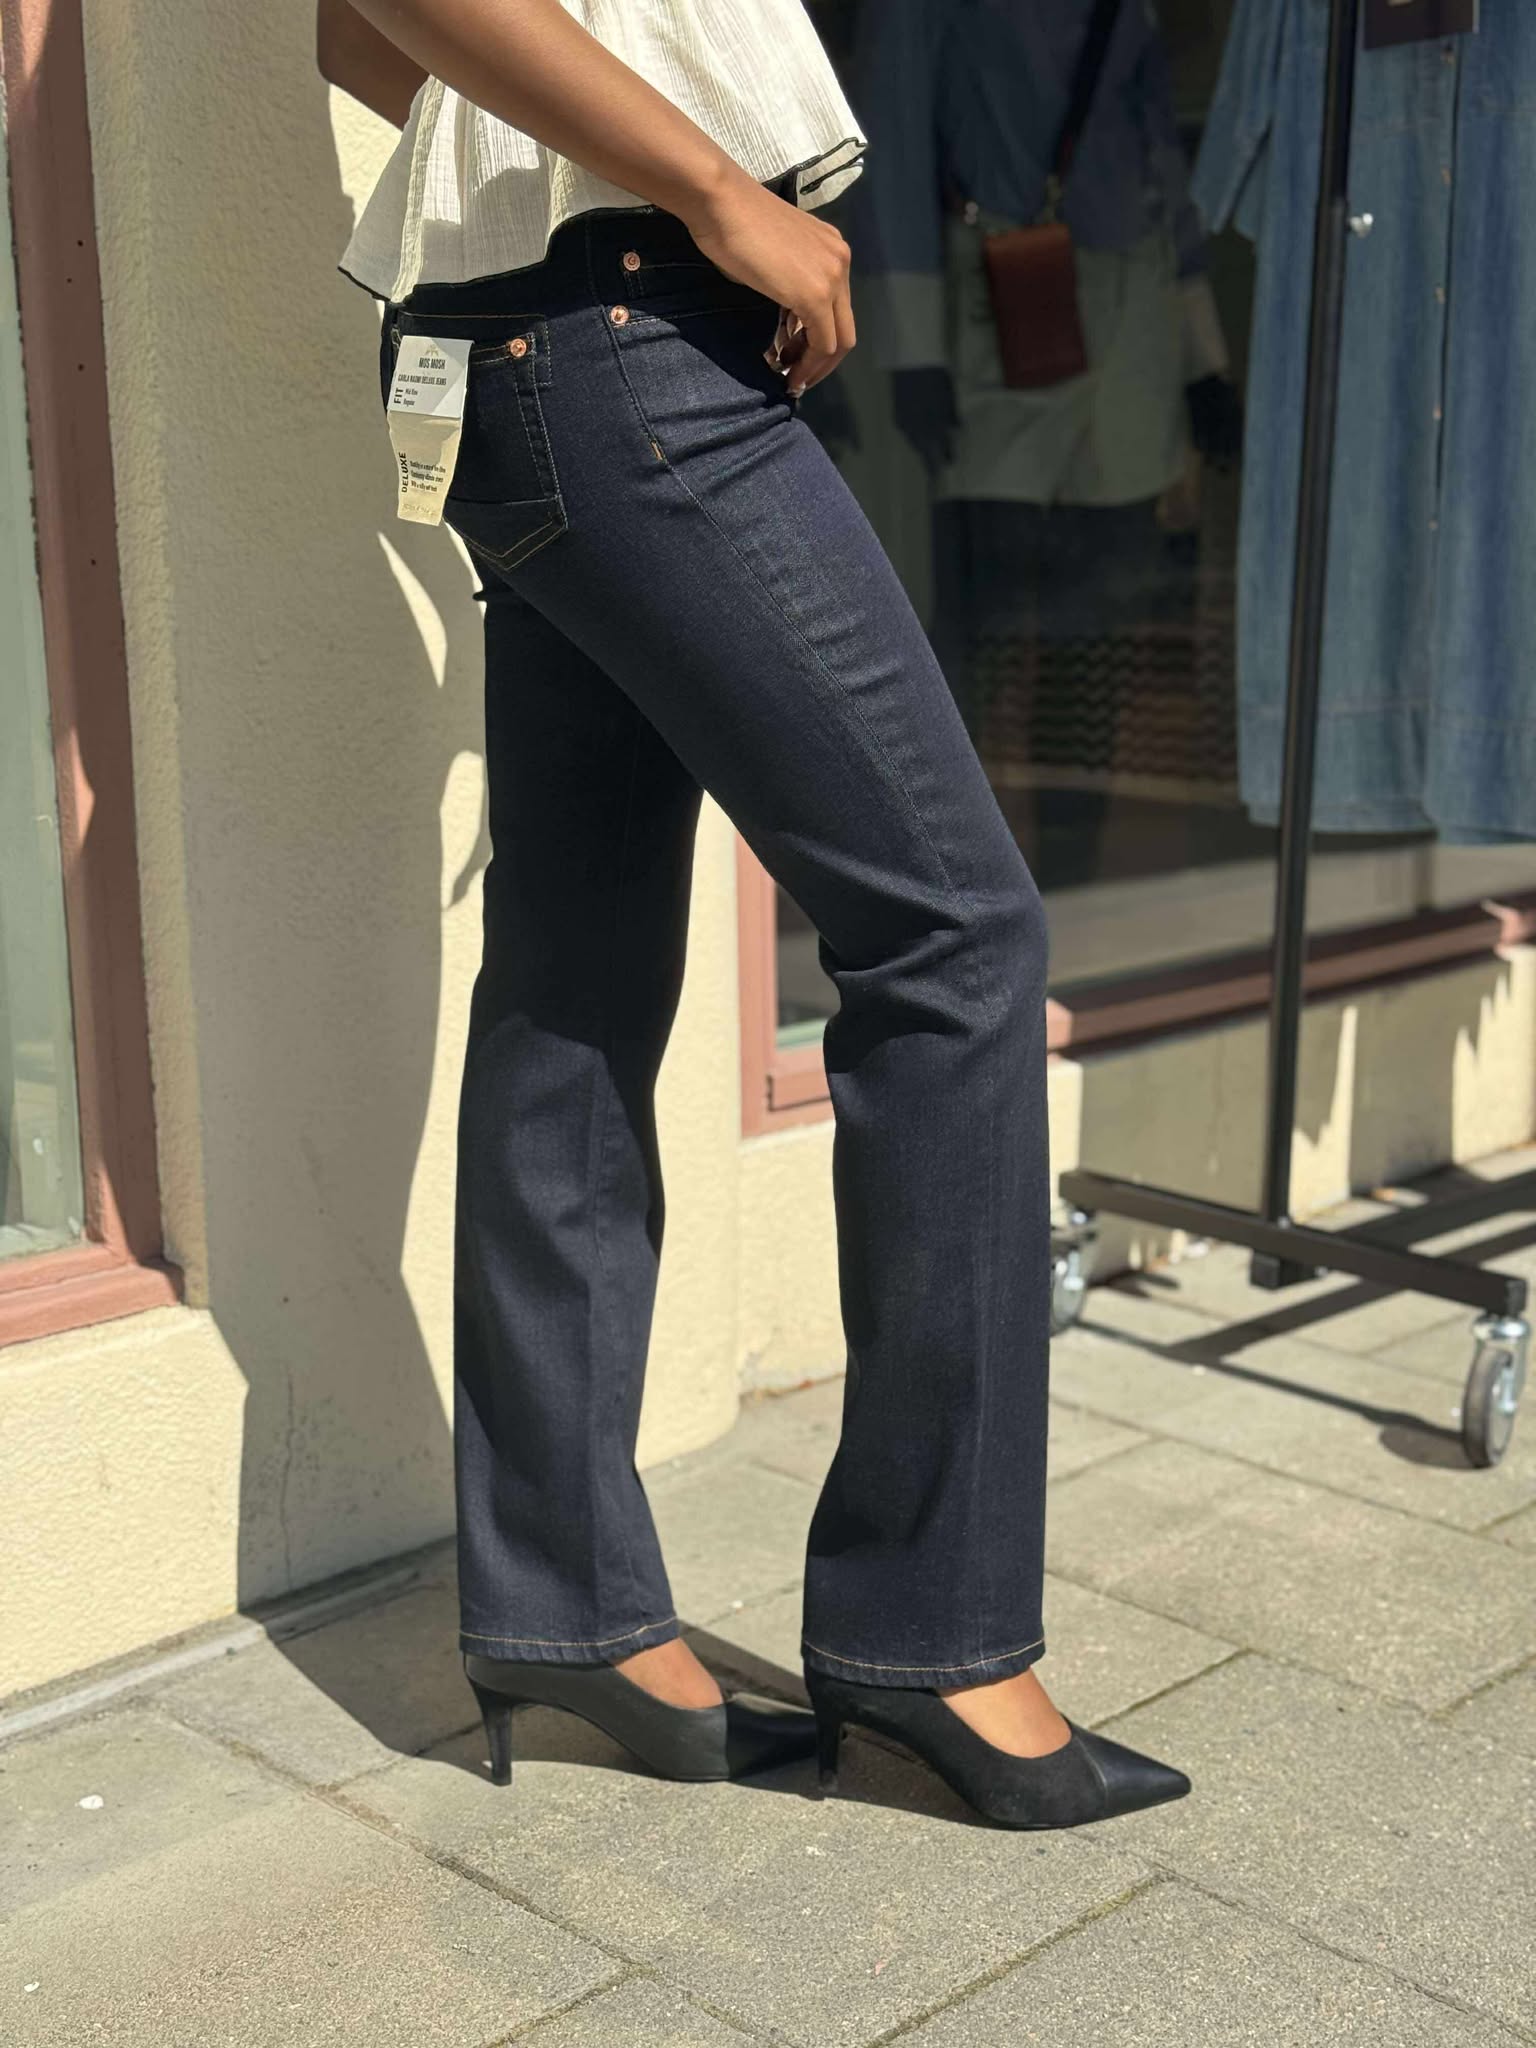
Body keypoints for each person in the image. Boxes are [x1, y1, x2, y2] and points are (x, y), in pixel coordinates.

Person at [317, 0, 1190, 1829]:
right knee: (957, 942)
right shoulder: (674, 239)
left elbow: (360, 43)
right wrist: (719, 191)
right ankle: (933, 1640)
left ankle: (564, 1609)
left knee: (575, 979)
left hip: (511, 349)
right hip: (628, 344)